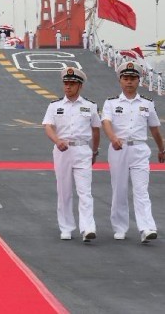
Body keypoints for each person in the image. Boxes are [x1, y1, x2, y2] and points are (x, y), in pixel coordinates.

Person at [101, 61, 165, 243]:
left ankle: (147, 228)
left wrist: (162, 149)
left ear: (139, 81)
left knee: (141, 190)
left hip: (140, 149)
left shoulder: (147, 104)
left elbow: (154, 129)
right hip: (118, 149)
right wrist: (113, 138)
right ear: (120, 81)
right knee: (119, 189)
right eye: (126, 78)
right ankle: (120, 227)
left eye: (133, 79)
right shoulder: (111, 103)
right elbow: (106, 122)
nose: (129, 82)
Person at [42, 67, 100, 242]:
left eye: (72, 83)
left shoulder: (90, 106)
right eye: (66, 83)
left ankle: (88, 227)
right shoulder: (55, 106)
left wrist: (95, 151)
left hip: (82, 149)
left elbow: (96, 130)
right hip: (62, 151)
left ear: (80, 85)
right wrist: (57, 140)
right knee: (64, 191)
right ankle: (66, 227)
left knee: (85, 191)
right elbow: (48, 126)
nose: (68, 86)